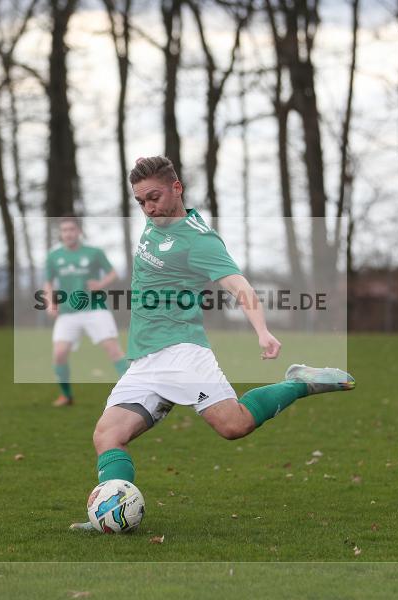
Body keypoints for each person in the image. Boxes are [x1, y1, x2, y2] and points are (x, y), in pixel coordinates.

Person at [70, 157, 354, 530]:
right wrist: (146, 164)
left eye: (153, 197)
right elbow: (153, 178)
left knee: (233, 426)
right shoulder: (155, 216)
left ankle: (298, 382)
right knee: (107, 434)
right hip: (143, 361)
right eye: (140, 201)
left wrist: (262, 331)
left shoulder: (198, 240)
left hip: (183, 353)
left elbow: (239, 286)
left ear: (178, 189)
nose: (148, 207)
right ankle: (109, 515)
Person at [44, 215, 129, 407]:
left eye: (72, 230)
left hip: (95, 309)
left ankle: (133, 393)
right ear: (61, 233)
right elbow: (48, 282)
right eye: (64, 230)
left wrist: (101, 284)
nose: (68, 234)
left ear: (79, 232)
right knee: (59, 354)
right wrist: (50, 303)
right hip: (68, 312)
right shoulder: (54, 256)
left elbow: (113, 273)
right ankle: (66, 396)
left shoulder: (94, 252)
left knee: (113, 350)